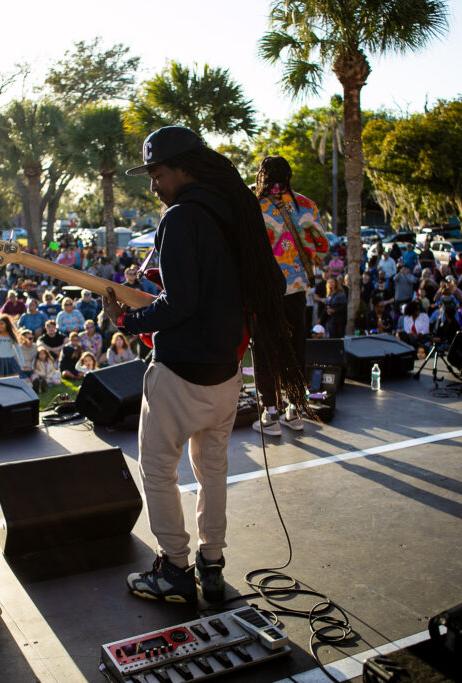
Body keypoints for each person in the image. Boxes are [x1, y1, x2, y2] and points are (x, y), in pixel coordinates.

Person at [103, 126, 305, 604]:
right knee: (212, 470)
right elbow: (267, 284)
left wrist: (128, 319)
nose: (153, 185)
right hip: (227, 371)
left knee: (157, 468)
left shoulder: (180, 218)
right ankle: (211, 566)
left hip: (179, 372)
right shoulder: (236, 212)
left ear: (183, 168)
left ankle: (174, 568)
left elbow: (180, 303)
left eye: (157, 173)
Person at [251, 155, 330, 436]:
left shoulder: (252, 204)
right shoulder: (304, 205)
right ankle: (294, 409)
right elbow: (322, 247)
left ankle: (270, 413)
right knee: (294, 347)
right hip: (296, 288)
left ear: (262, 175)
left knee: (265, 347)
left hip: (265, 290)